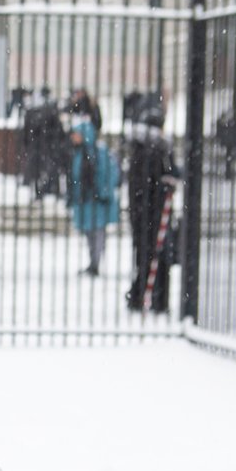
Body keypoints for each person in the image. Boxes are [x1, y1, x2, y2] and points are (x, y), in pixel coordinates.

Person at [124, 101, 177, 312]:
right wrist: (166, 184)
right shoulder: (154, 151)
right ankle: (153, 297)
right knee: (156, 256)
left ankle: (144, 294)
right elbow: (153, 184)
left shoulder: (146, 149)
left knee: (146, 255)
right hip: (151, 214)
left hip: (142, 214)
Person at [65, 101, 120, 278]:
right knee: (90, 232)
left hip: (96, 200)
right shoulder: (81, 152)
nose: (73, 138)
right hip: (86, 199)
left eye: (76, 134)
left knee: (96, 232)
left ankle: (95, 263)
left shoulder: (97, 152)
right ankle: (93, 262)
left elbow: (108, 173)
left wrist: (103, 192)